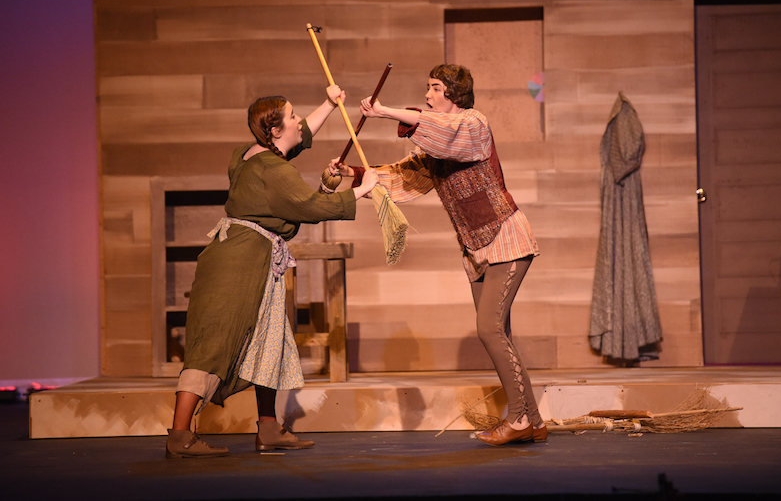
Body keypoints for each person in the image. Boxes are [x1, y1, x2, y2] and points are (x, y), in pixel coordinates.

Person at [329, 64, 546, 446]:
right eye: (428, 88)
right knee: (500, 333)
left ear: (453, 93)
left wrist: (384, 112)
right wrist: (352, 172)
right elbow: (403, 176)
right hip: (475, 247)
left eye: (434, 88)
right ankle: (534, 421)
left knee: (489, 329)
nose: (428, 95)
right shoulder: (435, 147)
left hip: (505, 237)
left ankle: (517, 419)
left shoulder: (474, 124)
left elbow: (449, 133)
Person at [166, 85, 379, 458]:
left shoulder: (246, 155)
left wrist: (329, 104)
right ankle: (180, 435)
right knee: (215, 340)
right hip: (240, 263)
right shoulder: (275, 170)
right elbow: (310, 207)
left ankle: (268, 427)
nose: (300, 122)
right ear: (276, 130)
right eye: (293, 116)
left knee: (269, 339)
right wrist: (361, 190)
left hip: (249, 257)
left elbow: (296, 140)